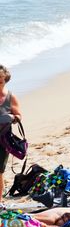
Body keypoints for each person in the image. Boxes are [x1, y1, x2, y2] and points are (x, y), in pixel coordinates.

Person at [0, 65, 21, 200]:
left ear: (5, 80)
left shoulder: (10, 97)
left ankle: (0, 200)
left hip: (3, 139)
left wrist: (12, 118)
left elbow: (19, 116)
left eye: (0, 81)